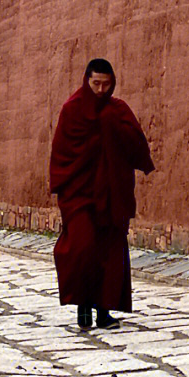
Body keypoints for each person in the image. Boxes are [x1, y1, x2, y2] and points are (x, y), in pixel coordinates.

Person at [49, 58, 154, 330]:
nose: (100, 90)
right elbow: (62, 152)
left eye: (106, 84)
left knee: (110, 253)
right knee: (82, 248)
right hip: (80, 194)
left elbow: (135, 145)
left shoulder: (117, 111)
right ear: (86, 80)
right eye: (95, 83)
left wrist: (114, 126)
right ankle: (83, 307)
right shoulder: (72, 110)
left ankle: (104, 312)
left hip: (111, 192)